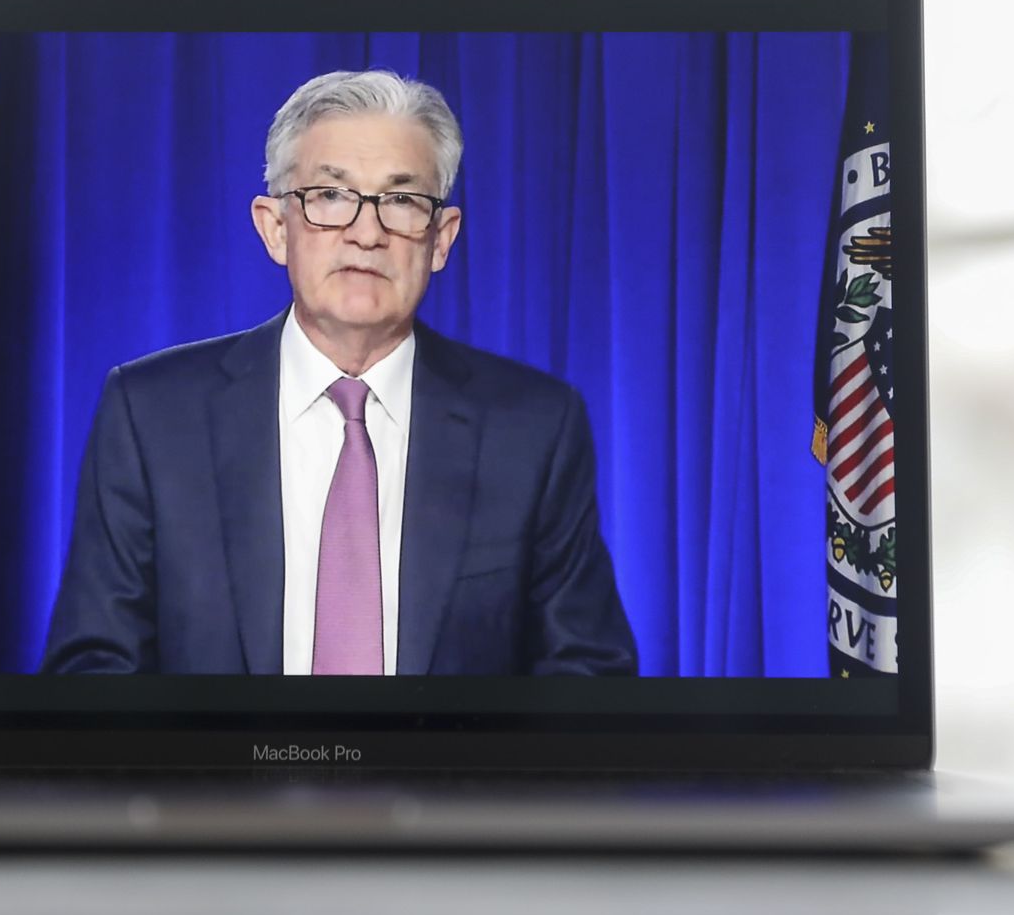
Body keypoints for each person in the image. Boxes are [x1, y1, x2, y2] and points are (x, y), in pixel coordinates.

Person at [42, 70, 636, 676]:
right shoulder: (151, 414)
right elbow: (94, 667)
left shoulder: (535, 428)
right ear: (276, 228)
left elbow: (586, 671)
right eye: (330, 196)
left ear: (440, 239)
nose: (366, 232)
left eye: (402, 200)